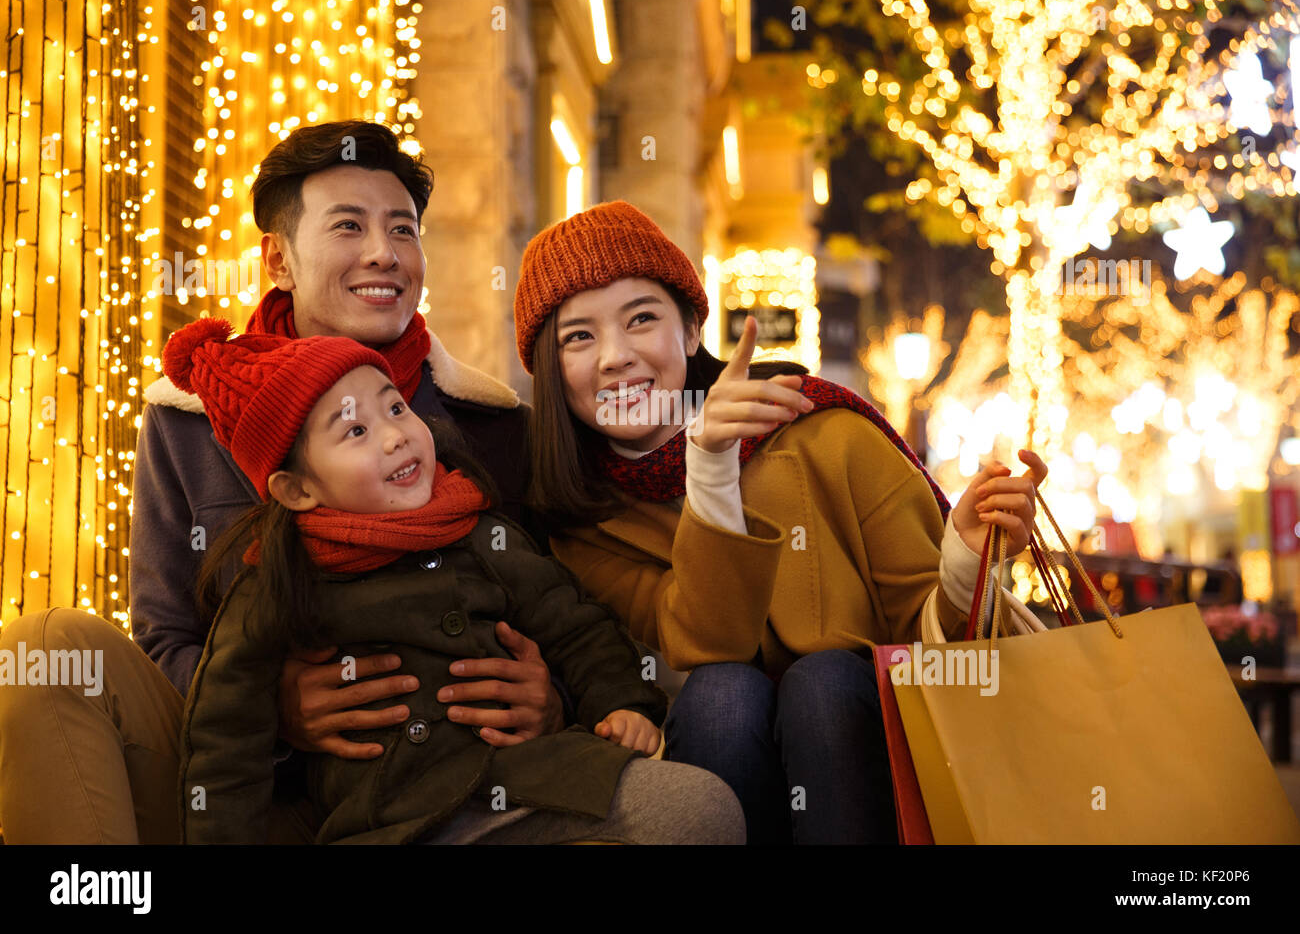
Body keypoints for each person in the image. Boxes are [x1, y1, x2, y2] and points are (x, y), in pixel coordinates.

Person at [0, 121, 564, 843]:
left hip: (439, 781)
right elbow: (166, 636)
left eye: (403, 229)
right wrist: (271, 708)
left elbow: (563, 614)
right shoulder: (186, 421)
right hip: (235, 782)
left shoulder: (491, 422)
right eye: (349, 226)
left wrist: (553, 699)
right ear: (278, 260)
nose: (385, 253)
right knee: (45, 650)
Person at [514, 201, 1047, 844]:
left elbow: (938, 651)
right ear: (550, 371)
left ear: (690, 330)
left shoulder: (827, 434)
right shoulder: (581, 521)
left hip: (878, 769)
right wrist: (710, 468)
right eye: (578, 337)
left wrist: (965, 560)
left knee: (824, 680)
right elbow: (706, 643)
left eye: (641, 319)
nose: (615, 356)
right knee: (722, 692)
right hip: (695, 770)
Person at [164, 317, 743, 844]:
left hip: (528, 781)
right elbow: (224, 744)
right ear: (297, 489)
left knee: (702, 808)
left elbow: (576, 626)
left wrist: (621, 703)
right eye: (355, 431)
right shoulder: (273, 585)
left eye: (395, 408)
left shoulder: (478, 532)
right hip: (391, 818)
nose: (395, 435)